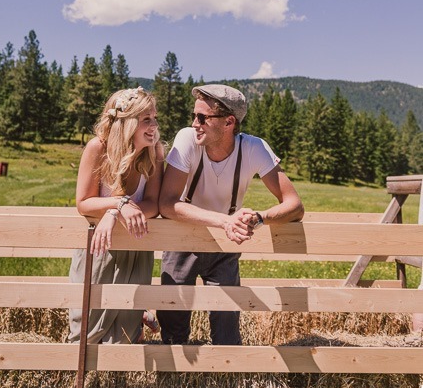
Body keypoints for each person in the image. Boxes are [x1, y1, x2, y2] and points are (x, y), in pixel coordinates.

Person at [157, 83, 304, 346]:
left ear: (229, 122)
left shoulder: (253, 148)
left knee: (227, 333)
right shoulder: (187, 139)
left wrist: (260, 218)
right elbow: (167, 204)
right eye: (194, 116)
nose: (194, 123)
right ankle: (173, 385)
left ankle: (225, 383)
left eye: (202, 118)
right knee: (173, 331)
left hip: (224, 247)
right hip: (182, 239)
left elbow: (294, 204)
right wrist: (224, 220)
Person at [68, 86, 163, 345]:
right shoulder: (97, 148)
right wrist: (118, 205)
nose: (154, 125)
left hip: (136, 246)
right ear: (126, 122)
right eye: (146, 120)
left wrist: (114, 212)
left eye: (155, 118)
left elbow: (154, 204)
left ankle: (121, 383)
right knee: (87, 325)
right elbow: (84, 203)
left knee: (126, 330)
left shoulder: (155, 153)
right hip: (100, 246)